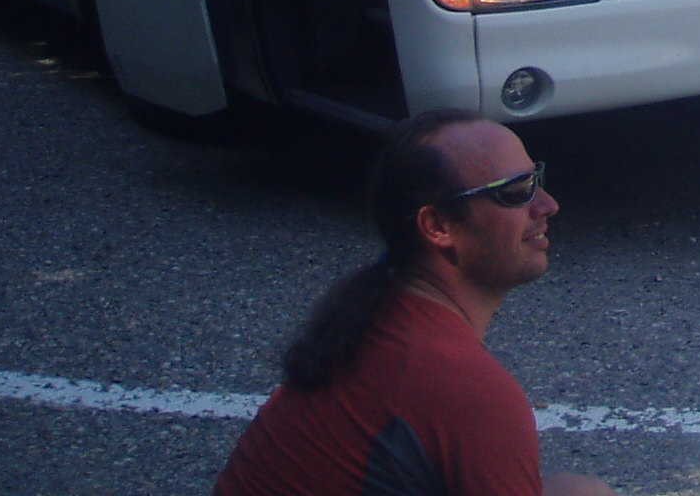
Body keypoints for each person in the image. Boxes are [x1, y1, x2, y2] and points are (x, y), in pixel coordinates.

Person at [217, 109, 616, 496]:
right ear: (439, 227)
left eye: (536, 179)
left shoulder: (375, 314)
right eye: (516, 191)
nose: (547, 205)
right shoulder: (468, 392)